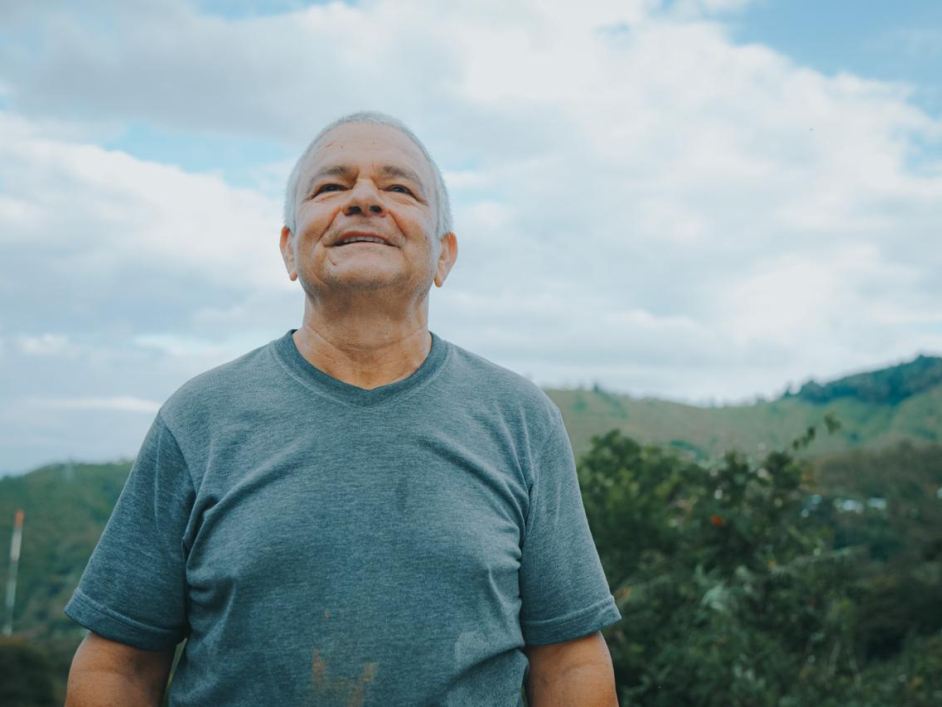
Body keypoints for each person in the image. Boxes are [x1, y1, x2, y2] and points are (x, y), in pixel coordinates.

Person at [63, 111, 622, 706]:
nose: (363, 199)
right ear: (288, 249)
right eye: (330, 187)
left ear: (444, 256)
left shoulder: (521, 418)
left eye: (400, 188)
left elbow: (569, 660)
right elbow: (118, 666)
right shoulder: (198, 418)